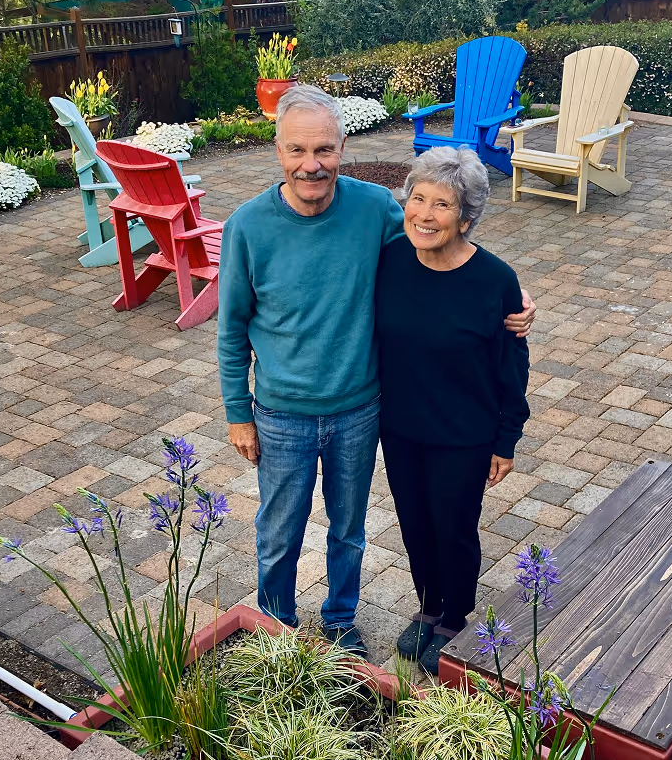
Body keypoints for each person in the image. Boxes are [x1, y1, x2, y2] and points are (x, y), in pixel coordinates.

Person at [217, 85, 535, 657]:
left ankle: (342, 622)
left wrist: (512, 300)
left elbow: (443, 248)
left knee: (349, 531)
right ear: (278, 149)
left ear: (343, 147)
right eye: (296, 150)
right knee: (278, 534)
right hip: (283, 413)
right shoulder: (247, 226)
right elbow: (230, 328)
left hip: (361, 410)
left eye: (324, 149)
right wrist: (239, 414)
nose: (311, 164)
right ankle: (275, 632)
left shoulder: (374, 211)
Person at [375, 145, 531, 675]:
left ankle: (454, 617)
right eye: (417, 199)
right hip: (399, 427)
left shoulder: (494, 280)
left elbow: (512, 361)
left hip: (464, 433)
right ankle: (427, 606)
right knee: (415, 523)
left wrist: (505, 439)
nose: (424, 214)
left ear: (466, 217)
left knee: (454, 526)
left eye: (441, 205)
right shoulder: (390, 259)